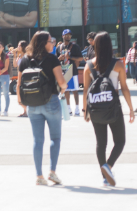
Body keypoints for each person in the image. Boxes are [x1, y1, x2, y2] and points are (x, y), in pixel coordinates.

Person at [82, 32, 135, 187]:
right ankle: (108, 166)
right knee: (120, 141)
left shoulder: (89, 65)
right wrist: (131, 109)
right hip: (114, 108)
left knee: (101, 143)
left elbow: (85, 90)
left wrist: (85, 111)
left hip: (96, 108)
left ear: (95, 46)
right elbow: (124, 87)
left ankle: (104, 176)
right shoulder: (118, 64)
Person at [17, 31, 68, 185]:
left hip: (32, 104)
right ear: (44, 43)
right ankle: (52, 172)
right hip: (51, 101)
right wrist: (64, 88)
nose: (53, 43)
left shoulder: (25, 60)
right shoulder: (51, 59)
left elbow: (19, 84)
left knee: (37, 140)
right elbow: (62, 82)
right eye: (50, 40)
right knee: (55, 138)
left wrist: (21, 102)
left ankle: (39, 176)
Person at [56, 30, 82, 116]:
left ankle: (77, 108)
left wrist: (70, 57)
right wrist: (59, 58)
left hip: (72, 70)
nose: (68, 37)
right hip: (63, 71)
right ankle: (68, 108)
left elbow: (80, 58)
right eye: (66, 35)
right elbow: (55, 61)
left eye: (69, 35)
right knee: (66, 90)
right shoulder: (59, 48)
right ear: (62, 36)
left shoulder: (75, 46)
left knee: (75, 90)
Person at [14, 41, 29, 117]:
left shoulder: (27, 56)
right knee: (19, 96)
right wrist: (14, 55)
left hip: (25, 78)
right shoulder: (19, 55)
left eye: (19, 45)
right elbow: (15, 65)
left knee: (23, 95)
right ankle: (25, 111)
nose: (18, 47)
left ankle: (27, 111)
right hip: (19, 77)